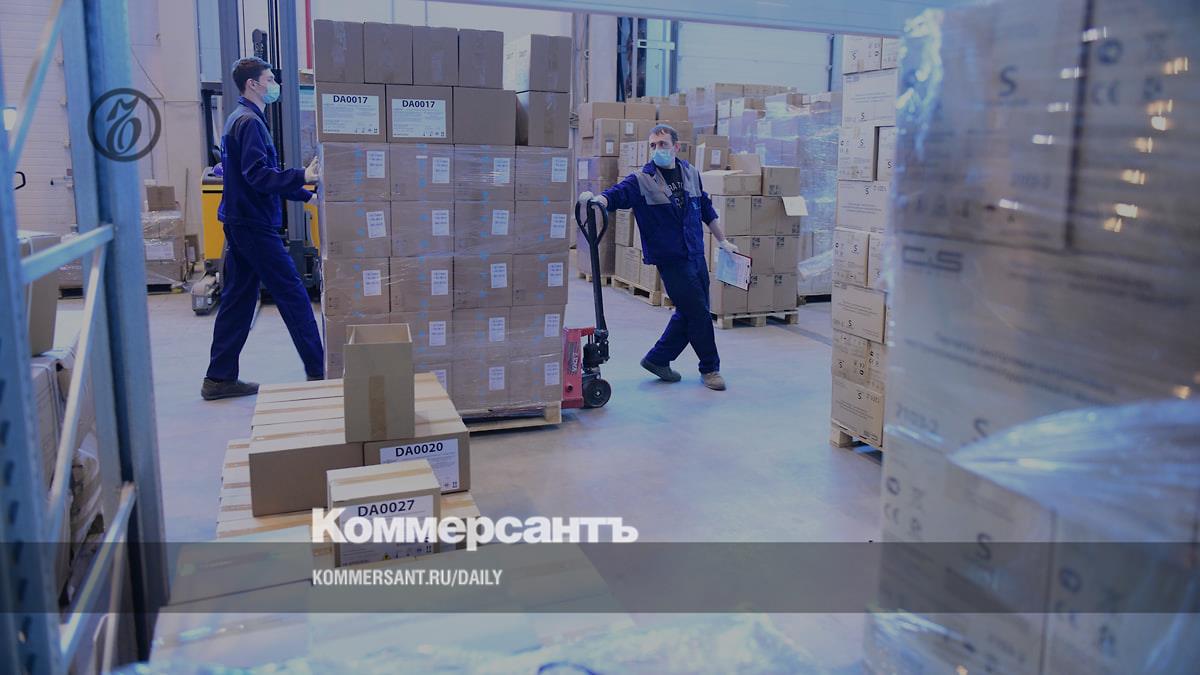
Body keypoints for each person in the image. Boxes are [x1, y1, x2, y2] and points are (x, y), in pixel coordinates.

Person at [580, 124, 738, 391]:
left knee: (689, 311)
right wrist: (600, 200)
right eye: (653, 145)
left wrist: (722, 241)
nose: (657, 150)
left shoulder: (690, 172)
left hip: (695, 253)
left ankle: (658, 359)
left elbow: (705, 208)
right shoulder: (643, 179)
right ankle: (710, 368)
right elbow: (617, 194)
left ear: (676, 147)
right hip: (671, 259)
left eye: (662, 144)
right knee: (698, 313)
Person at [202, 58, 323, 401]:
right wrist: (303, 176)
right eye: (269, 79)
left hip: (240, 220)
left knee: (238, 301)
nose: (274, 85)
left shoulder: (238, 118)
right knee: (292, 293)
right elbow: (258, 175)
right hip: (253, 225)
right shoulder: (250, 122)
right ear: (252, 84)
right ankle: (320, 369)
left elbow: (255, 177)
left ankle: (219, 378)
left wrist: (305, 196)